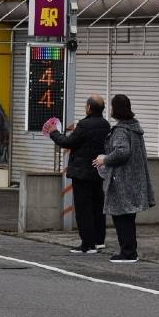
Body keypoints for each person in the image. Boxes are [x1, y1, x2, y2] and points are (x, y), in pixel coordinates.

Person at [93, 94, 155, 263]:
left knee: (121, 216)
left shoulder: (120, 130)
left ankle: (127, 252)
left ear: (116, 109)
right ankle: (130, 251)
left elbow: (122, 151)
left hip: (122, 178)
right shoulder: (135, 127)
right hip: (135, 178)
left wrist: (104, 159)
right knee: (128, 217)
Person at [45, 95, 109, 254]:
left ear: (89, 108)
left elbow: (67, 142)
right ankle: (99, 241)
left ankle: (87, 244)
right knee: (97, 206)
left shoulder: (84, 125)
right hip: (98, 171)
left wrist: (54, 133)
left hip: (82, 173)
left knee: (83, 208)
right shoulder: (106, 124)